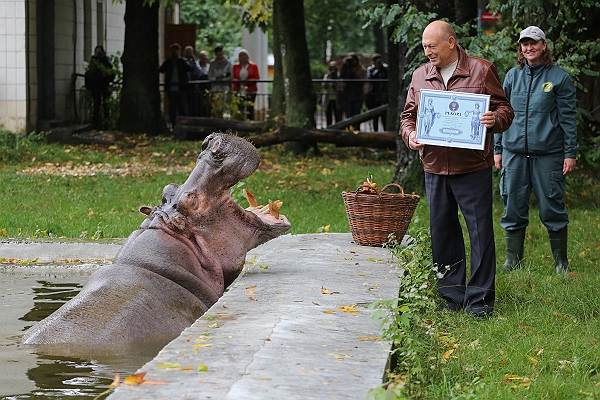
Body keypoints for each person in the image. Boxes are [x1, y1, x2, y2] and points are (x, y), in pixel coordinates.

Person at [400, 20, 514, 317]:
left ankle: (480, 302)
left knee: (480, 234)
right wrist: (410, 135)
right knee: (442, 232)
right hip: (435, 167)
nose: (427, 52)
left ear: (451, 42)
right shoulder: (420, 75)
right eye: (424, 47)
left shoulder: (481, 69)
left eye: (432, 46)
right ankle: (451, 296)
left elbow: (505, 110)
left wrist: (494, 120)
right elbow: (407, 117)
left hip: (472, 167)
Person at [494, 26, 577, 274]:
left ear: (543, 46)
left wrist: (570, 153)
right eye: (524, 44)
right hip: (514, 153)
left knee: (552, 206)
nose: (529, 48)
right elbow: (501, 114)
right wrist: (498, 148)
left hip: (548, 155)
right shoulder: (511, 76)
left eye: (534, 43)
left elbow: (569, 119)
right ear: (520, 47)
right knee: (512, 206)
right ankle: (513, 260)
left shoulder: (559, 78)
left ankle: (561, 262)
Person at [159, 43, 191, 129]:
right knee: (172, 108)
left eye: (176, 51)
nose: (175, 53)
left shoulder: (182, 61)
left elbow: (189, 68)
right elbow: (161, 70)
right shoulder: (168, 62)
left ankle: (183, 125)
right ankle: (173, 124)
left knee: (182, 107)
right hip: (171, 88)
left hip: (181, 88)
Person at [85, 45, 115, 128]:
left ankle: (106, 121)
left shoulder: (105, 60)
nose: (98, 53)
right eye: (97, 52)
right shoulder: (94, 60)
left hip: (104, 85)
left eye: (99, 52)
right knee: (96, 104)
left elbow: (110, 72)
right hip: (96, 85)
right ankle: (96, 122)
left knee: (105, 105)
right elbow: (90, 71)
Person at [232, 49, 260, 120]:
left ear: (247, 57)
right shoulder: (235, 66)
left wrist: (247, 82)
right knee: (240, 107)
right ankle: (240, 122)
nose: (242, 58)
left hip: (251, 90)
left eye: (244, 56)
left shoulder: (253, 66)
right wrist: (238, 82)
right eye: (240, 56)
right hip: (238, 90)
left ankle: (251, 123)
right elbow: (233, 77)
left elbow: (257, 78)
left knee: (250, 108)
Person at [340, 54, 365, 129]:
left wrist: (353, 70)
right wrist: (345, 65)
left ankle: (357, 129)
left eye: (352, 60)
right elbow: (342, 77)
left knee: (357, 114)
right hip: (347, 95)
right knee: (348, 114)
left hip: (357, 95)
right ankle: (349, 129)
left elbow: (360, 79)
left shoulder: (360, 68)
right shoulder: (345, 68)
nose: (351, 62)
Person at [365, 54, 388, 131]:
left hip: (383, 95)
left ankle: (385, 132)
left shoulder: (385, 68)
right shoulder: (370, 69)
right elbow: (370, 78)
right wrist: (377, 70)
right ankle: (375, 131)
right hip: (373, 96)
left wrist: (382, 68)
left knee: (384, 116)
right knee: (375, 116)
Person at [183, 46, 203, 116]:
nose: (189, 54)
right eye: (188, 52)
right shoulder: (182, 62)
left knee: (194, 103)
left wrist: (194, 62)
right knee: (185, 103)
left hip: (194, 86)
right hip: (185, 85)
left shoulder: (195, 62)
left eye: (190, 52)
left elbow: (199, 73)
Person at [322, 61, 342, 126]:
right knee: (328, 116)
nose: (333, 69)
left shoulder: (339, 76)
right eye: (331, 67)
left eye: (334, 67)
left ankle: (338, 130)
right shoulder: (327, 75)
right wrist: (328, 78)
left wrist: (335, 85)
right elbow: (324, 86)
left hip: (337, 99)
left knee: (337, 116)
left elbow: (340, 87)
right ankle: (329, 129)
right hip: (328, 99)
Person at [197, 50, 211, 117]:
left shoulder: (209, 66)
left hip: (208, 87)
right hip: (200, 87)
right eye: (202, 57)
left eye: (205, 56)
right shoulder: (197, 66)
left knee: (208, 103)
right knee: (200, 103)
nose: (204, 58)